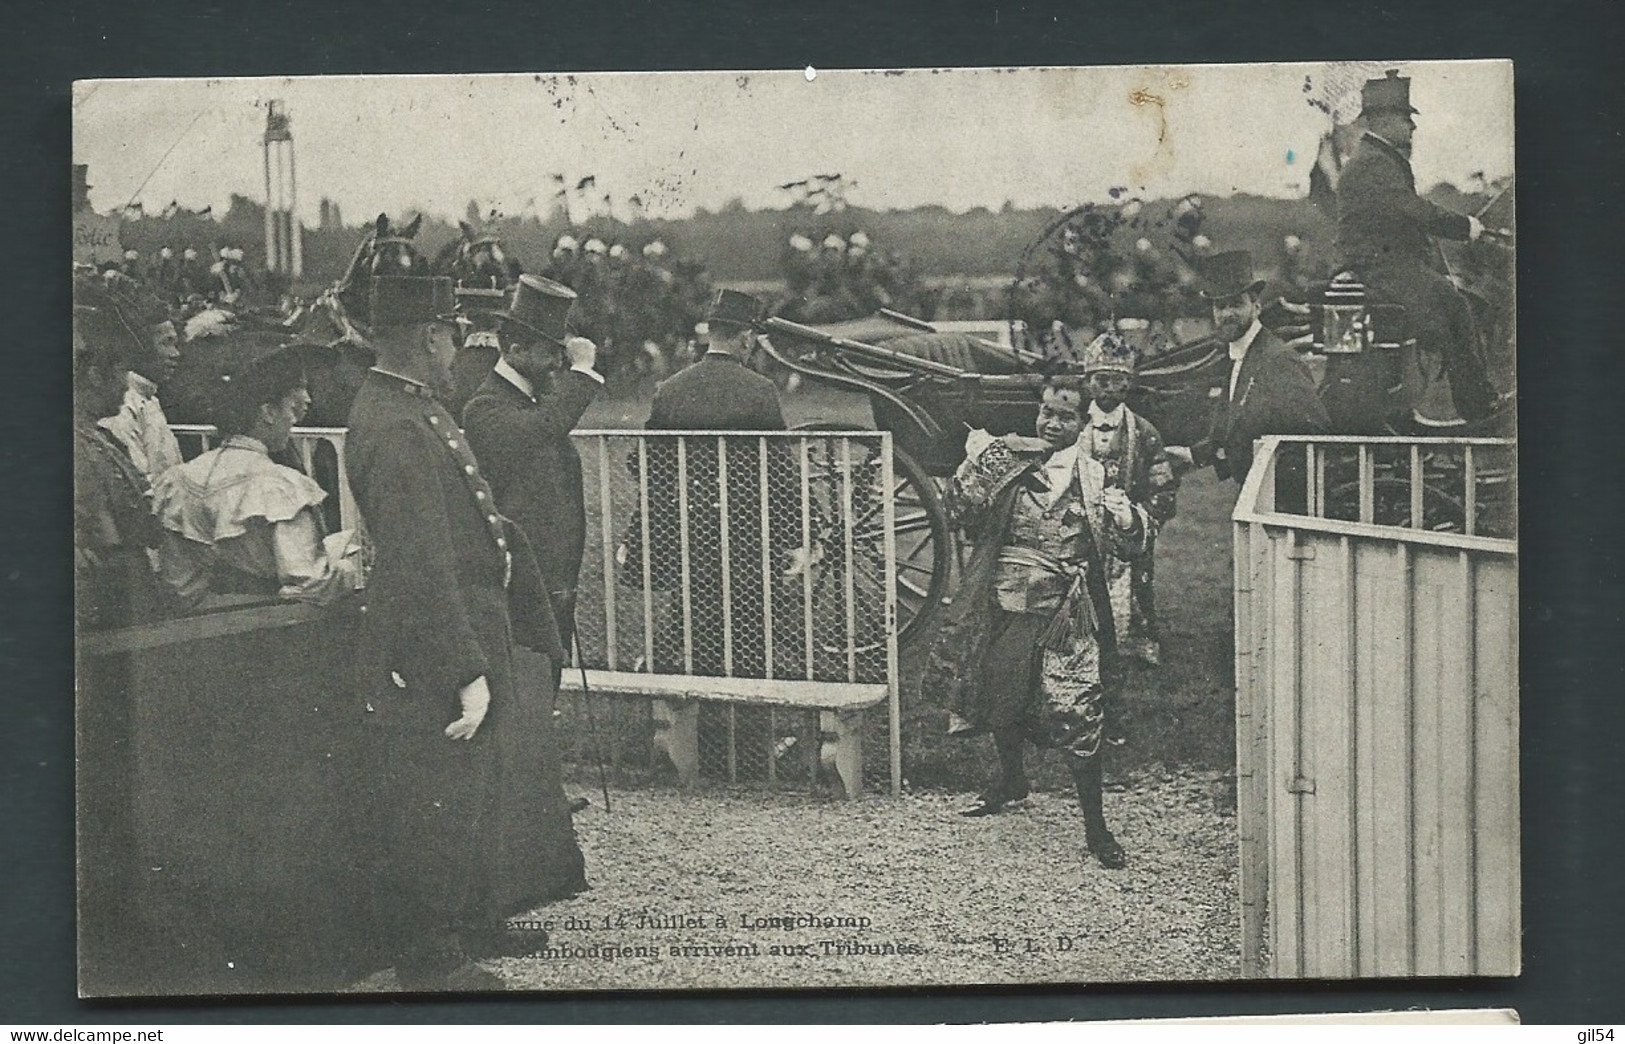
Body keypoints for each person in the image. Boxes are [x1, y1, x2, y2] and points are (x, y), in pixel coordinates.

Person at [344, 275, 584, 991]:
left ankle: (476, 915)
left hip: (476, 611)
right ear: (428, 337)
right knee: (442, 797)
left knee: (482, 783)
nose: (461, 347)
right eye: (454, 333)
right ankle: (431, 957)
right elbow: (421, 560)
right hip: (442, 627)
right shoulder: (394, 423)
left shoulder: (412, 407)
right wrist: (462, 668)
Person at [925, 377, 1154, 868]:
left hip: (1067, 613)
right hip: (1005, 602)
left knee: (1078, 710)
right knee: (1002, 693)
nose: (1052, 422)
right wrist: (978, 462)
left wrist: (1128, 519)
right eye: (1046, 412)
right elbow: (955, 509)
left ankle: (1096, 829)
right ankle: (1012, 780)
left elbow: (1130, 548)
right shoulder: (1007, 461)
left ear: (1084, 422)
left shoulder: (1096, 476)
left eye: (1065, 415)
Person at [1334, 68, 1503, 423]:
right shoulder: (1374, 163)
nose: (1413, 127)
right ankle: (1478, 406)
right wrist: (1465, 226)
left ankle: (1467, 400)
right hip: (1380, 269)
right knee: (1456, 307)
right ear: (1381, 121)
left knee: (1459, 303)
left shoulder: (1376, 160)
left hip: (1385, 265)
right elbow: (1411, 210)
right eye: (1406, 119)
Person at [150, 344, 365, 609]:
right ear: (267, 413)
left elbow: (177, 582)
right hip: (264, 626)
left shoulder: (181, 478)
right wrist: (343, 569)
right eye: (292, 409)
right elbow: (310, 583)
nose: (293, 421)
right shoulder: (277, 485)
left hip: (200, 628)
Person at [463, 275, 603, 663]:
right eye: (550, 353)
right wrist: (583, 371)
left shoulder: (537, 400)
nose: (558, 363)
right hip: (518, 583)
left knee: (546, 684)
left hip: (552, 581)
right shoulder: (485, 408)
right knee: (525, 687)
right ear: (514, 348)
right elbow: (543, 430)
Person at [1165, 251, 1331, 489]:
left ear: (1257, 306)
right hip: (1256, 493)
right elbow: (1235, 428)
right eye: (1220, 306)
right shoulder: (1238, 356)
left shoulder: (1277, 359)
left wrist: (1277, 484)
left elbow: (1313, 429)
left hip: (1279, 496)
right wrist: (1194, 455)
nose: (1227, 314)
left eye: (1236, 304)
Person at [1076, 332, 1178, 667]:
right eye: (1100, 380)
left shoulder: (1145, 432)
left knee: (1133, 585)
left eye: (1117, 382)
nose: (1108, 389)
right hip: (1081, 529)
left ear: (1128, 385)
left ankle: (1135, 643)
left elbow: (1163, 487)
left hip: (1127, 530)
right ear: (1087, 382)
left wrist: (1136, 518)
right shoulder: (1073, 426)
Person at [98, 287, 184, 486]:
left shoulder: (149, 398)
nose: (176, 354)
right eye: (166, 343)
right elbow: (137, 483)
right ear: (139, 348)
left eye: (175, 344)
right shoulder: (121, 403)